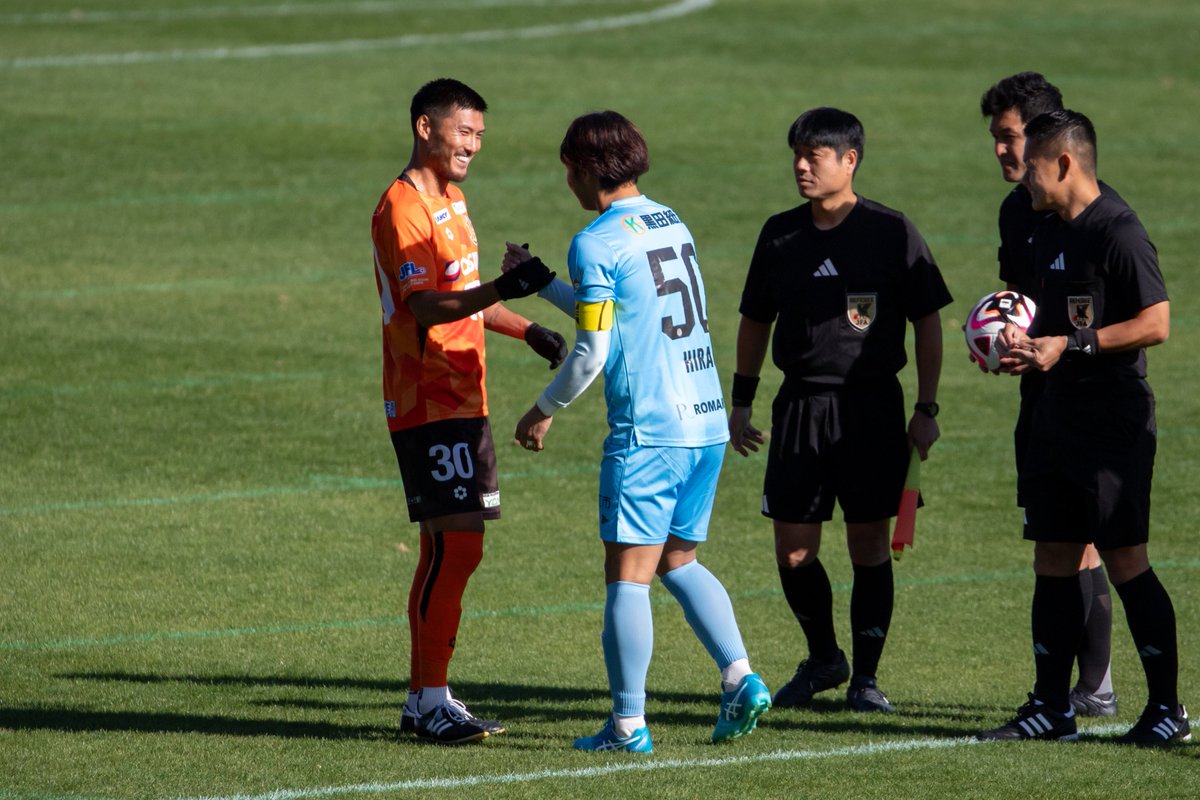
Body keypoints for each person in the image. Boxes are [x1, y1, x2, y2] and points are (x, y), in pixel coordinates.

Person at [510, 110, 770, 753]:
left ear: (584, 168)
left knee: (627, 575)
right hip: (704, 423)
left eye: (568, 168)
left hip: (650, 432)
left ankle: (628, 725)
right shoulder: (668, 219)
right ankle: (739, 675)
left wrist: (543, 407)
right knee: (679, 559)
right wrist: (544, 284)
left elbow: (593, 349)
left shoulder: (596, 240)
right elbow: (621, 311)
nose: (566, 180)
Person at [728, 107, 951, 714]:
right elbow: (755, 320)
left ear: (849, 160)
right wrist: (741, 401)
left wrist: (926, 407)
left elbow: (929, 323)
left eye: (814, 156)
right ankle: (825, 657)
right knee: (793, 550)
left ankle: (867, 679)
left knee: (868, 546)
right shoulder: (780, 234)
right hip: (800, 405)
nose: (801, 166)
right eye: (796, 155)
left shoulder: (891, 231)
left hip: (871, 409)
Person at [978, 109, 1187, 746]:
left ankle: (1167, 711)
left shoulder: (1118, 230)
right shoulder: (1045, 231)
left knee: (1124, 559)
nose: (1025, 177)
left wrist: (1072, 345)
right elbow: (1045, 319)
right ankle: (1051, 706)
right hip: (1054, 412)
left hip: (1112, 419)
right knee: (1052, 555)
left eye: (1034, 167)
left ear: (1065, 163)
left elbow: (1156, 322)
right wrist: (1009, 342)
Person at [371, 78, 565, 745]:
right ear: (425, 127)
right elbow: (427, 306)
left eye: (480, 135)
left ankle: (424, 698)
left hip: (464, 392)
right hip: (427, 397)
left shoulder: (453, 200)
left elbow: (469, 294)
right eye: (464, 132)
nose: (473, 146)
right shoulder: (403, 209)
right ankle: (430, 701)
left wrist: (528, 329)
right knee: (457, 545)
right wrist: (506, 286)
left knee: (446, 548)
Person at [980, 73, 1117, 717]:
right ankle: (1077, 692)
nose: (1001, 151)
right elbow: (1023, 302)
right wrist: (1001, 339)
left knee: (1083, 541)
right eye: (996, 138)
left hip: (1092, 399)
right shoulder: (1016, 210)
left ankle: (1094, 687)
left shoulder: (1098, 218)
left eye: (1010, 138)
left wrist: (1067, 346)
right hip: (1040, 395)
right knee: (1058, 538)